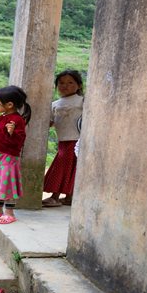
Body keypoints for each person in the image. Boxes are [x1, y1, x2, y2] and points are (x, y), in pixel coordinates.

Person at [0, 85, 32, 224]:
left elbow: (20, 139)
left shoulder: (16, 120)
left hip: (8, 159)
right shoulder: (2, 117)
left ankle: (9, 213)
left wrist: (12, 132)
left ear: (9, 104)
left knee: (7, 186)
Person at [42, 70, 84, 207]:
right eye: (61, 83)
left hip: (78, 140)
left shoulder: (82, 101)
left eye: (70, 82)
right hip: (63, 141)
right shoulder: (54, 104)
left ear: (78, 85)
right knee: (67, 167)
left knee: (65, 168)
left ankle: (56, 197)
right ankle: (67, 198)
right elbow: (50, 121)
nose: (65, 86)